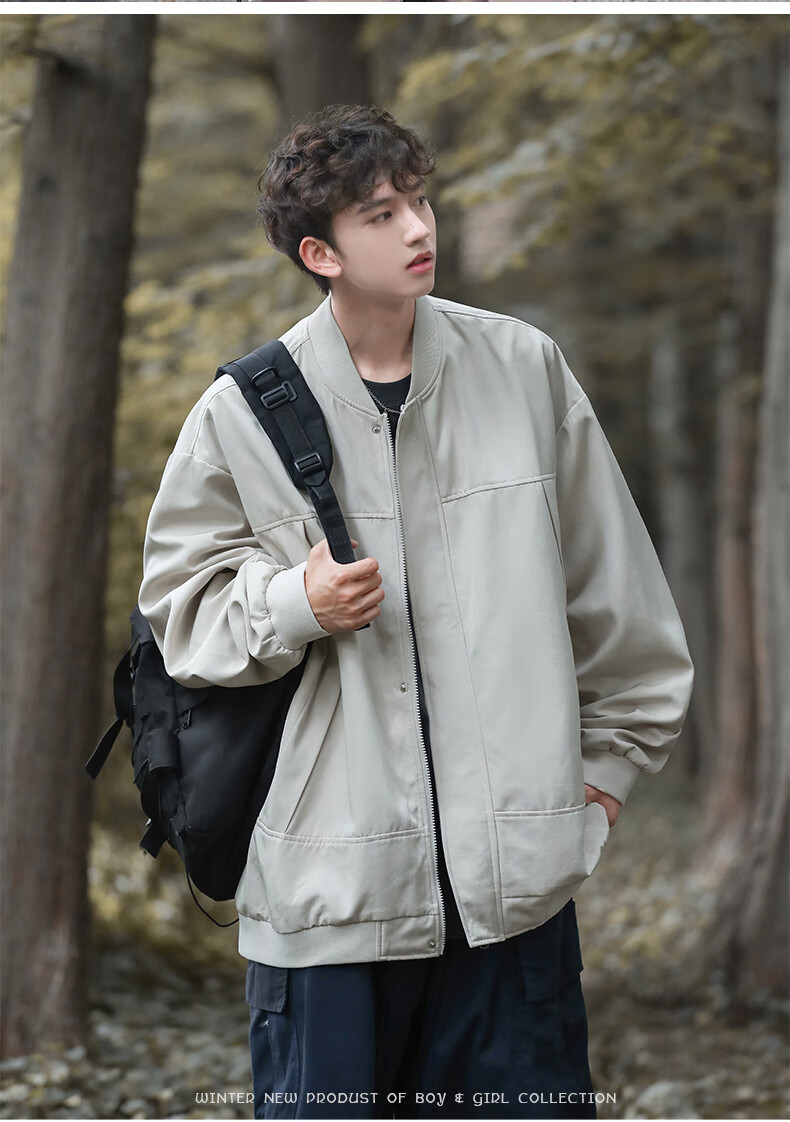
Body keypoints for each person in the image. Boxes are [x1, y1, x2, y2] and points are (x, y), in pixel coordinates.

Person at [138, 104, 694, 1120]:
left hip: (514, 906)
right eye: (380, 215)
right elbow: (182, 618)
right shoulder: (240, 413)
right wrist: (295, 603)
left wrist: (600, 784)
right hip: (327, 909)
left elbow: (619, 599)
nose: (417, 228)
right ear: (321, 253)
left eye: (418, 201)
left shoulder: (524, 371)